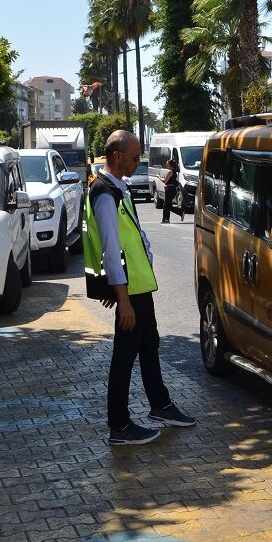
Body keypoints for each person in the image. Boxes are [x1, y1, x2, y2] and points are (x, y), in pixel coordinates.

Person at [85, 130, 195, 445]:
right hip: (130, 290)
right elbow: (109, 249)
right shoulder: (106, 194)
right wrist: (122, 298)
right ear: (117, 156)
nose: (138, 162)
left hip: (136, 286)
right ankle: (119, 426)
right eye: (135, 157)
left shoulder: (117, 189)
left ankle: (160, 405)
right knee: (124, 355)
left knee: (149, 345)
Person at [161, 152, 182, 223]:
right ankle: (180, 212)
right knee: (168, 205)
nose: (166, 164)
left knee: (166, 205)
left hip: (169, 189)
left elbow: (165, 181)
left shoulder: (170, 172)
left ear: (170, 164)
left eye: (167, 163)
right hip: (172, 189)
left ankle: (165, 219)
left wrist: (158, 177)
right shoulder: (174, 172)